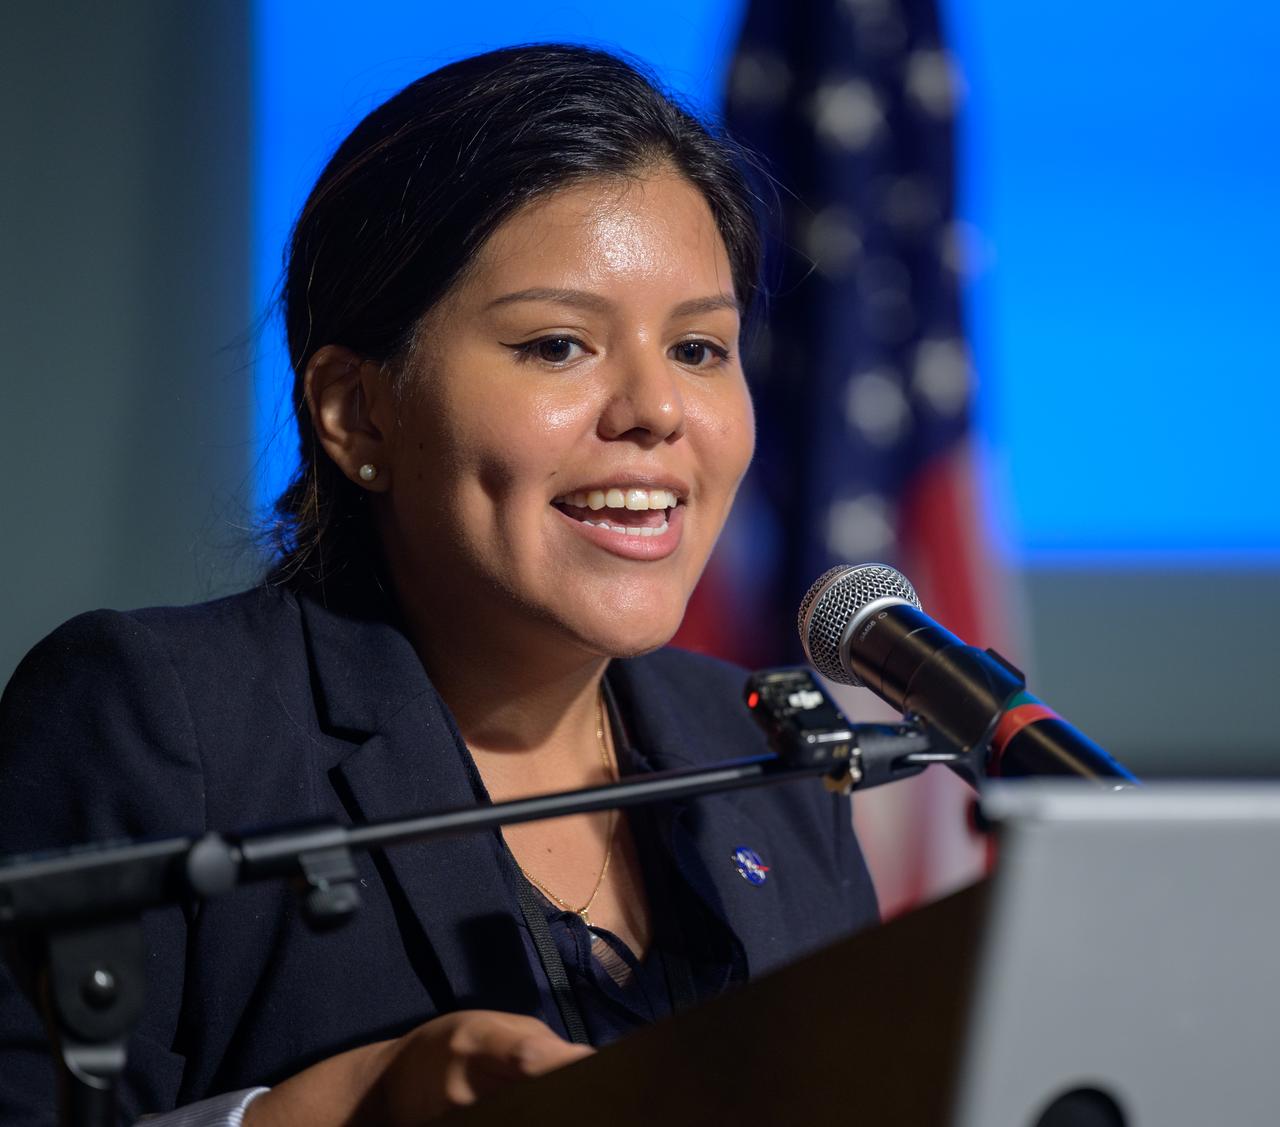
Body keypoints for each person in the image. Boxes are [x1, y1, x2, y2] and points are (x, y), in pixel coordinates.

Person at [0, 44, 878, 1125]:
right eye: (559, 344)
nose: (656, 409)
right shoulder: (157, 718)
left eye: (699, 347)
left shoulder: (764, 753)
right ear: (357, 413)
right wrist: (331, 1112)